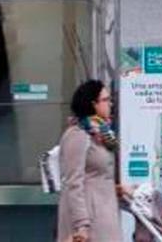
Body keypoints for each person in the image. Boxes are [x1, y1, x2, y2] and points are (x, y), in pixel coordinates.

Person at [57, 80, 123, 242]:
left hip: (104, 212)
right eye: (106, 100)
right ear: (93, 104)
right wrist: (82, 225)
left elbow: (98, 174)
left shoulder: (102, 132)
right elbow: (73, 182)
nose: (111, 104)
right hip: (89, 219)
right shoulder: (78, 134)